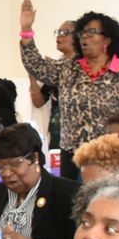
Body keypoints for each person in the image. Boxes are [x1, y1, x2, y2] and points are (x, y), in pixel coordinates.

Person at [17, 1, 119, 179]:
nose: (84, 37)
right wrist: (26, 30)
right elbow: (36, 66)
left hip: (109, 156)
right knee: (73, 203)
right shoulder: (70, 68)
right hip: (72, 154)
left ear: (107, 40)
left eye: (91, 32)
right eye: (82, 33)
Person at [0, 124, 81, 239]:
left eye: (15, 163)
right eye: (0, 167)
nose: (6, 173)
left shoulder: (68, 193)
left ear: (35, 158)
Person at [31, 18, 79, 155]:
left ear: (77, 38)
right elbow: (38, 101)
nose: (59, 35)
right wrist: (32, 77)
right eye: (58, 32)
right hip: (58, 136)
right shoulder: (56, 68)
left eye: (64, 32)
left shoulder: (83, 67)